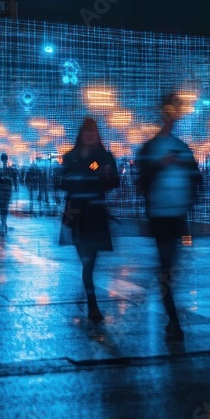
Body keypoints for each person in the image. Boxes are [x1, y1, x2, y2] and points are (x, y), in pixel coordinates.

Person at [136, 94, 202, 340]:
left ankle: (169, 302)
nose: (172, 116)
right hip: (160, 215)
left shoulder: (182, 147)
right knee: (167, 264)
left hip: (177, 214)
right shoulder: (151, 148)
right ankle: (173, 318)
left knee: (171, 265)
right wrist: (161, 164)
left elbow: (197, 177)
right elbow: (141, 180)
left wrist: (190, 198)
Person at [61, 118, 120, 323]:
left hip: (95, 214)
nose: (89, 134)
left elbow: (114, 181)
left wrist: (106, 175)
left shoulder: (104, 157)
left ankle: (92, 303)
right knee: (85, 259)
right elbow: (61, 181)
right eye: (86, 131)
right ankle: (89, 292)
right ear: (81, 134)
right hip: (76, 214)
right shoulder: (70, 157)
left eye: (92, 131)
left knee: (89, 260)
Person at [0, 153, 18, 230]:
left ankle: (3, 222)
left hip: (3, 191)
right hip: (5, 191)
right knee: (4, 206)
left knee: (3, 206)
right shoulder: (10, 170)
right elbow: (14, 180)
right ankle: (4, 222)